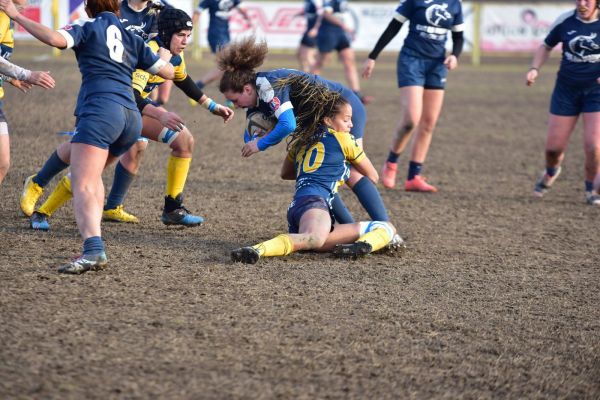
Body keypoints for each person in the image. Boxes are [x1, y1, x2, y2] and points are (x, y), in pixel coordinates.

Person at [5, 0, 174, 274]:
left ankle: (93, 249)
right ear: (117, 7)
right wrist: (163, 57)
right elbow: (166, 72)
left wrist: (15, 15)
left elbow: (55, 39)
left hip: (101, 111)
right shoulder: (132, 36)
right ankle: (87, 240)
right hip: (131, 118)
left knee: (83, 183)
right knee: (92, 178)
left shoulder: (87, 25)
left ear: (87, 7)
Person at [27, 7, 234, 231]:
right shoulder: (149, 51)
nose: (185, 41)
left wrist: (213, 106)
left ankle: (172, 209)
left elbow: (184, 80)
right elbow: (133, 96)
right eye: (181, 35)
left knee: (181, 142)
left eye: (188, 36)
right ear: (166, 33)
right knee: (92, 166)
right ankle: (43, 211)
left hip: (136, 110)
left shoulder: (175, 55)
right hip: (123, 107)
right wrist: (160, 113)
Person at [218, 35, 390, 227]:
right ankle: (349, 228)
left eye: (234, 100)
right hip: (319, 119)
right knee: (315, 173)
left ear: (247, 89)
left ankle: (386, 228)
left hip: (343, 109)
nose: (234, 105)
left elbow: (288, 125)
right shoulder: (256, 95)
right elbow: (252, 129)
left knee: (351, 170)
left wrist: (260, 144)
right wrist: (253, 139)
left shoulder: (268, 86)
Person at [231, 75, 397, 264]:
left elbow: (285, 174)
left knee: (316, 241)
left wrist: (312, 172)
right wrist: (342, 168)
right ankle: (257, 250)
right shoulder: (344, 139)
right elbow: (373, 176)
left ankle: (358, 245)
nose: (351, 125)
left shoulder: (301, 141)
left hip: (298, 208)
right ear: (327, 120)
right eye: (347, 120)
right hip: (316, 206)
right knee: (385, 227)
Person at [362, 0, 464, 192]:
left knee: (428, 122)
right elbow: (394, 27)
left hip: (437, 65)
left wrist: (455, 55)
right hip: (411, 61)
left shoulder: (454, 4)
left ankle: (414, 177)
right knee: (411, 119)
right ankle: (391, 163)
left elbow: (458, 37)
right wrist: (373, 56)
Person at [527, 0, 600, 206]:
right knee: (553, 149)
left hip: (596, 92)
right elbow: (546, 46)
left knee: (594, 146)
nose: (582, 3)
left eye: (588, 0)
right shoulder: (566, 21)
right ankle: (551, 171)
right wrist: (534, 68)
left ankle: (591, 189)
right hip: (566, 91)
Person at [311, 0, 372, 104]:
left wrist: (345, 27)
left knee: (350, 61)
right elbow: (326, 14)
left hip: (340, 33)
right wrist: (343, 25)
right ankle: (306, 87)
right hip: (328, 32)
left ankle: (356, 94)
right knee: (321, 62)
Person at [191, 0, 251, 91]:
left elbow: (242, 8)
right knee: (227, 65)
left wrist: (248, 19)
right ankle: (198, 87)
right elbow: (197, 12)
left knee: (225, 67)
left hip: (226, 35)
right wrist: (189, 28)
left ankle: (197, 86)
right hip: (215, 35)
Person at [296, 0, 323, 73]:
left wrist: (316, 29)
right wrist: (298, 14)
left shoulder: (317, 1)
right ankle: (306, 77)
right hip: (308, 31)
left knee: (308, 56)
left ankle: (316, 79)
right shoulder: (307, 1)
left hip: (313, 32)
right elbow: (309, 12)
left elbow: (321, 15)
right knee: (300, 54)